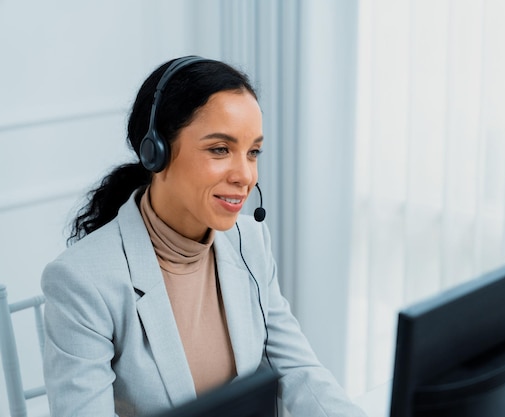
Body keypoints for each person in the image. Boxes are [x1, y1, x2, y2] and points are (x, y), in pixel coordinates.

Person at [41, 56, 367, 417]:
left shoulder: (250, 242)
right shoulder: (82, 281)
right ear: (156, 153)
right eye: (220, 149)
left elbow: (299, 371)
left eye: (253, 152)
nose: (245, 175)